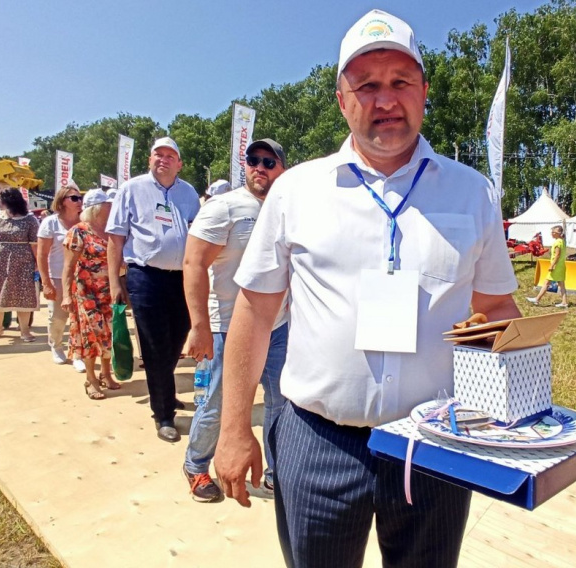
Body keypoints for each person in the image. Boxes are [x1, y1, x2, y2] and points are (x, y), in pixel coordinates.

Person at [214, 10, 521, 568]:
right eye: (367, 85)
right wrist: (233, 428)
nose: (386, 100)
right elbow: (255, 314)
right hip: (316, 439)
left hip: (435, 444)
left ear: (424, 91)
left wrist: (518, 403)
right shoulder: (295, 191)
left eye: (401, 82)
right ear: (342, 100)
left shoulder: (472, 193)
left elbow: (497, 305)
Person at [182, 139, 289, 502]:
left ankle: (275, 472)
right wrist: (199, 326)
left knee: (280, 400)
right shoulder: (224, 207)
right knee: (217, 402)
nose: (259, 167)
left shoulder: (287, 207)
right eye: (253, 160)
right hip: (226, 326)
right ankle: (196, 465)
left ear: (282, 169)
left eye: (269, 162)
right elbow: (193, 264)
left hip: (277, 326)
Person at [107, 137, 200, 442]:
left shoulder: (189, 193)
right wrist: (115, 281)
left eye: (170, 155)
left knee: (176, 341)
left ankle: (165, 392)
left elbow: (198, 234)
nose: (163, 159)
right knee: (155, 346)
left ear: (179, 163)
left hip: (182, 278)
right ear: (149, 160)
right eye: (158, 154)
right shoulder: (131, 189)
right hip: (145, 277)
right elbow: (116, 239)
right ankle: (164, 415)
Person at [62, 189, 119, 399]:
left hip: (109, 290)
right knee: (91, 333)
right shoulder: (79, 231)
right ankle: (91, 378)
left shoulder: (112, 230)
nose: (111, 207)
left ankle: (106, 373)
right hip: (86, 291)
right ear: (97, 208)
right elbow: (68, 267)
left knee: (109, 331)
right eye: (107, 204)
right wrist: (66, 295)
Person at [0, 188, 40, 341]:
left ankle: (25, 330)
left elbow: (35, 244)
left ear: (9, 199)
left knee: (23, 295)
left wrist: (38, 263)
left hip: (23, 263)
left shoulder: (29, 219)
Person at [37, 183, 84, 365]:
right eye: (74, 198)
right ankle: (56, 345)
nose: (79, 201)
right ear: (62, 201)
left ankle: (78, 353)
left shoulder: (85, 221)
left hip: (83, 277)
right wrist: (46, 282)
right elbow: (42, 255)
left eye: (80, 198)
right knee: (58, 317)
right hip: (57, 276)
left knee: (80, 317)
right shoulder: (50, 223)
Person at [526, 225, 568, 308]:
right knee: (561, 284)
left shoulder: (557, 243)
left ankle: (537, 299)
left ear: (558, 233)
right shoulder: (562, 241)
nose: (551, 234)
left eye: (553, 232)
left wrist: (552, 265)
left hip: (556, 266)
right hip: (561, 266)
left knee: (546, 282)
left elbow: (557, 255)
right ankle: (564, 302)